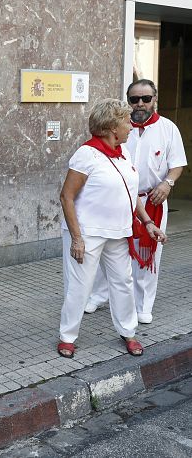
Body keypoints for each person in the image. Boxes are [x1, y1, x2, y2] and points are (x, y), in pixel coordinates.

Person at [57, 98, 167, 359]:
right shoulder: (87, 154)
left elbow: (131, 194)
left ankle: (128, 332)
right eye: (126, 122)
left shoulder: (123, 153)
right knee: (79, 286)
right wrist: (76, 239)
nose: (131, 126)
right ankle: (67, 336)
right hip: (87, 233)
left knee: (123, 284)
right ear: (111, 128)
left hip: (119, 232)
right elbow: (66, 197)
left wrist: (148, 222)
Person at [85, 80, 187, 323]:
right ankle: (99, 295)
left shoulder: (168, 128)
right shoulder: (117, 128)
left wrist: (167, 183)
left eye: (145, 98)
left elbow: (177, 164)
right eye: (134, 99)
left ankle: (143, 305)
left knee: (149, 255)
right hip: (118, 200)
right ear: (127, 101)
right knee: (110, 248)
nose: (140, 104)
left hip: (152, 199)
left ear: (155, 100)